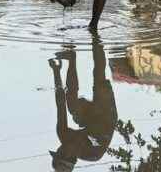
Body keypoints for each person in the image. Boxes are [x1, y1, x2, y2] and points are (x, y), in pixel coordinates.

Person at [48, 35, 117, 171]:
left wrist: (56, 72)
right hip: (106, 118)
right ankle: (97, 42)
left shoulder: (63, 135)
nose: (60, 147)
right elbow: (105, 128)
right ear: (71, 156)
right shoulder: (93, 153)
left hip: (89, 121)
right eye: (61, 152)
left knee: (72, 105)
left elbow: (60, 104)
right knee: (98, 77)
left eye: (58, 150)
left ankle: (71, 58)